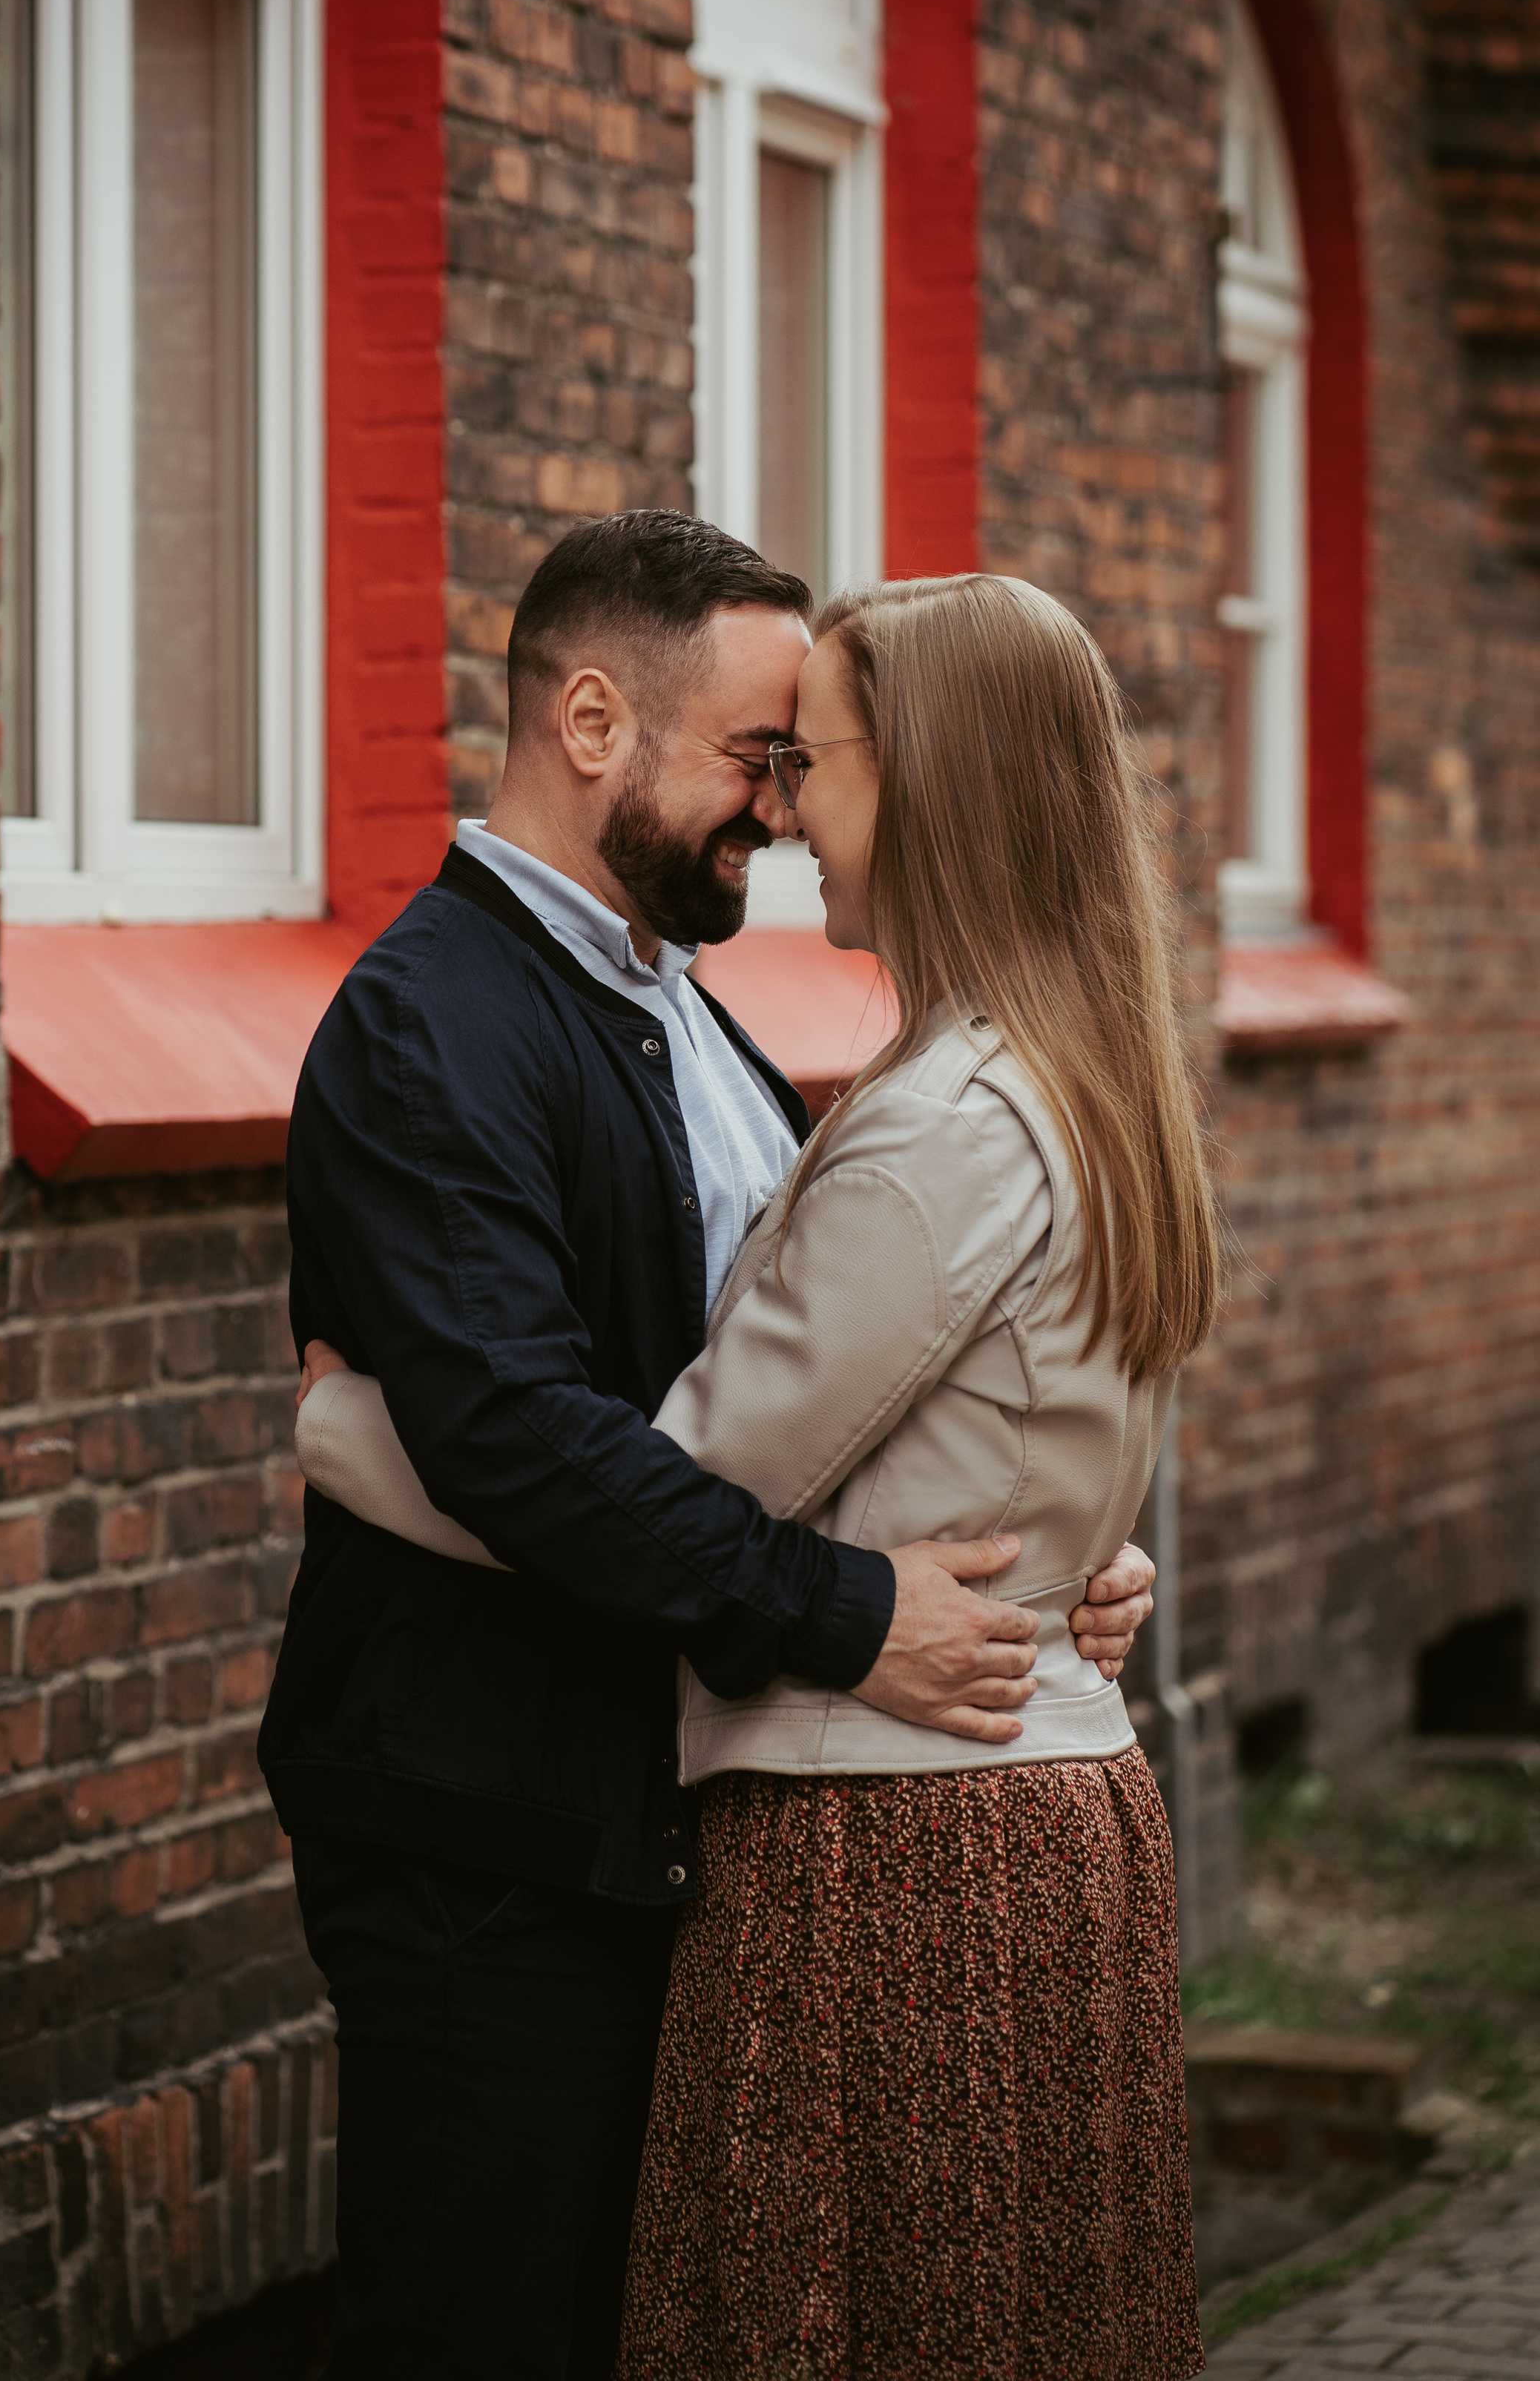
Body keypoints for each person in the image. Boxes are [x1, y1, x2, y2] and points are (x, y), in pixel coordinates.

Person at [258, 516, 1156, 2381]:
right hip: (490, 1839)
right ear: (590, 718)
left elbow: (815, 1407)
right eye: (759, 756)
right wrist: (843, 1610)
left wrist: (1034, 1546)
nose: (778, 807)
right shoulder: (434, 1025)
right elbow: (525, 1442)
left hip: (668, 1821)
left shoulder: (697, 1018)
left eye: (801, 761)